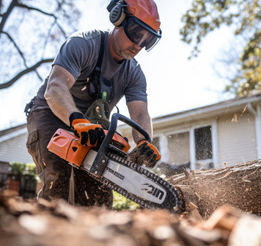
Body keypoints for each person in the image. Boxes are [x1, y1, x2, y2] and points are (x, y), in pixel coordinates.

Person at [24, 0, 162, 207]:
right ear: (118, 18)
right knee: (59, 180)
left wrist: (144, 142)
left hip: (92, 124)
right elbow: (56, 88)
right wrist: (76, 120)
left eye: (147, 40)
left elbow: (140, 114)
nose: (138, 45)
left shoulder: (134, 73)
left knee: (97, 190)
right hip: (51, 112)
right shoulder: (83, 44)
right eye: (136, 34)